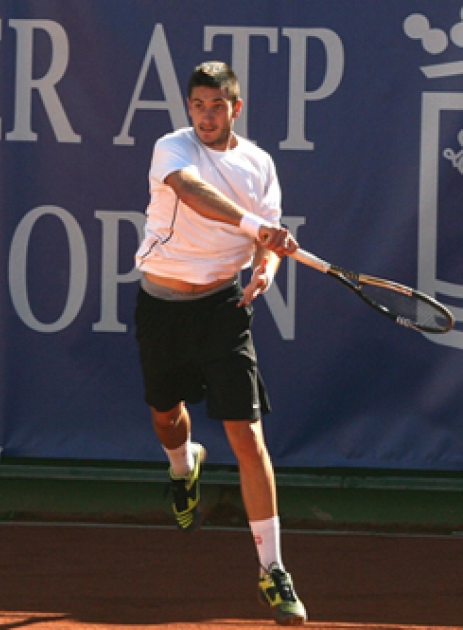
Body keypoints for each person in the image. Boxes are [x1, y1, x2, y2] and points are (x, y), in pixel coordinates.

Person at [133, 61, 308, 626]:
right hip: (162, 305)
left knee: (248, 436)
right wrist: (256, 231)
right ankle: (183, 467)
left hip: (224, 309)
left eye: (217, 105)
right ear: (190, 108)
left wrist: (266, 268)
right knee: (166, 416)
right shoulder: (172, 149)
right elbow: (195, 192)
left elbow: (271, 243)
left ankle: (273, 570)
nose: (207, 115)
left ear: (236, 108)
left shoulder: (259, 164)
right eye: (198, 105)